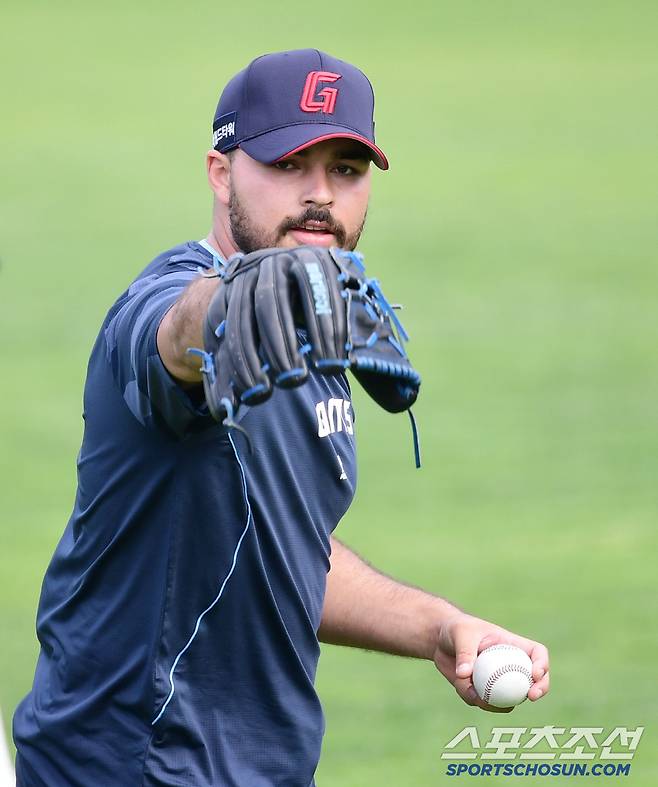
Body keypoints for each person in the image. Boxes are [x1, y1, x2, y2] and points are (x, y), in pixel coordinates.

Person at [13, 49, 550, 786]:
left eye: (346, 170)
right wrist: (241, 297)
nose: (320, 195)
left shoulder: (316, 321)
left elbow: (277, 549)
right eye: (289, 165)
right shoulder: (190, 305)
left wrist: (439, 626)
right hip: (133, 764)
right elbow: (175, 334)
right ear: (221, 171)